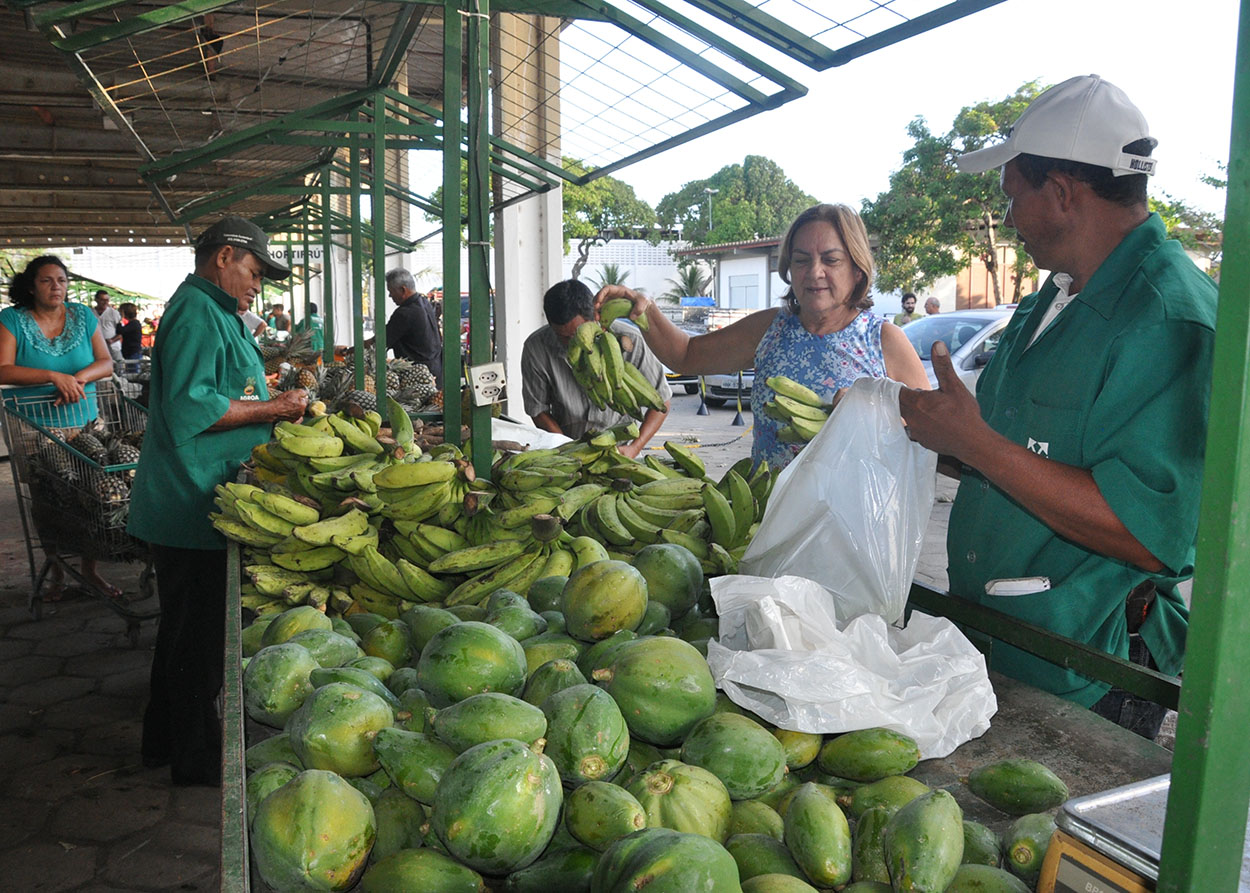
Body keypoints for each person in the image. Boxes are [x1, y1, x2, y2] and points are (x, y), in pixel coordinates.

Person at [897, 75, 1217, 739]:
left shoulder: (1166, 318)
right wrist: (944, 432)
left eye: (1014, 195)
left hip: (1087, 668)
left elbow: (1147, 531)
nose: (1009, 217)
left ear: (1064, 193)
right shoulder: (1053, 297)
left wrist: (976, 444)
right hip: (1004, 638)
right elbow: (1017, 444)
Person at [128, 216, 307, 785]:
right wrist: (274, 410)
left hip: (200, 493)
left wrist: (266, 395)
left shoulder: (216, 311)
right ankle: (197, 760)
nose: (258, 286)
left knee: (181, 631)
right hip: (190, 498)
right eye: (254, 272)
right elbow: (191, 406)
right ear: (224, 256)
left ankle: (161, 741)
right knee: (199, 641)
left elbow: (228, 388)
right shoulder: (196, 311)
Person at [597, 203, 929, 471]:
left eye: (831, 260)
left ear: (857, 270)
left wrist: (877, 418)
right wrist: (645, 310)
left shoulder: (883, 340)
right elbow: (687, 355)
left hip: (851, 528)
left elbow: (931, 433)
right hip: (767, 518)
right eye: (802, 260)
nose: (815, 272)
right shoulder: (769, 329)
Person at [1, 256, 119, 599]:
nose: (56, 287)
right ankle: (56, 574)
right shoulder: (12, 320)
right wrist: (53, 376)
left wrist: (77, 379)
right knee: (48, 501)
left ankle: (89, 571)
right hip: (33, 426)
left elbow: (105, 363)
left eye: (62, 280)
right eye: (46, 281)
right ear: (30, 285)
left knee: (92, 499)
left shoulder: (83, 316)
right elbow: (3, 369)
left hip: (84, 423)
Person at [521, 279, 672, 458]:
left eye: (577, 334)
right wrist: (566, 449)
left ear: (595, 317)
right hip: (566, 447)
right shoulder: (536, 347)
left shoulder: (631, 341)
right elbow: (538, 409)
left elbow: (661, 401)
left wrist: (635, 448)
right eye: (563, 337)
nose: (573, 343)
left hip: (621, 449)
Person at [364, 268, 442, 380]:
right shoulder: (424, 302)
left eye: (391, 291)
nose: (390, 296)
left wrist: (347, 351)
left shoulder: (405, 313)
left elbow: (379, 342)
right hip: (435, 370)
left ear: (403, 290)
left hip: (417, 376)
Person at [93, 289, 124, 363]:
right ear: (96, 300)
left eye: (107, 300)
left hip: (113, 347)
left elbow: (121, 332)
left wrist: (112, 340)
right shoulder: (90, 312)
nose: (105, 302)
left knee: (118, 366)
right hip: (96, 347)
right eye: (102, 300)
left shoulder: (114, 313)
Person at [118, 302, 144, 374]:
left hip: (133, 352)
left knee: (133, 374)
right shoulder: (133, 323)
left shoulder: (134, 324)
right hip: (130, 352)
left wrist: (120, 319)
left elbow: (120, 330)